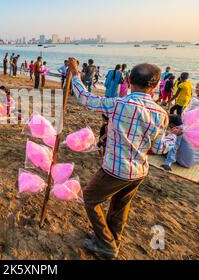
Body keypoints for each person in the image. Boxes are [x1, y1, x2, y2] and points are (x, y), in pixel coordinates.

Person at [68, 59, 178, 259]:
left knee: (90, 199)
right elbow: (159, 147)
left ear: (128, 80)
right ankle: (113, 239)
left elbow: (85, 98)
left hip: (115, 170)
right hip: (139, 172)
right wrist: (173, 136)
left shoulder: (118, 104)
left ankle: (107, 245)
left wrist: (75, 72)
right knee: (120, 207)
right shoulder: (161, 114)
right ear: (154, 86)